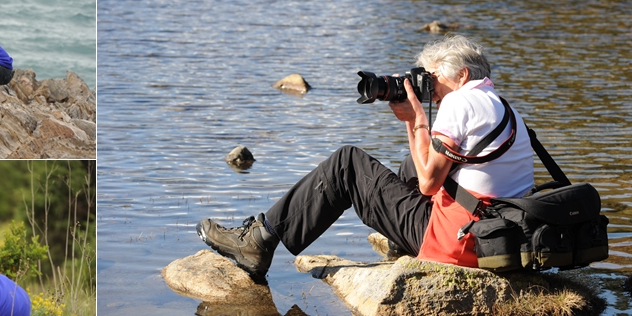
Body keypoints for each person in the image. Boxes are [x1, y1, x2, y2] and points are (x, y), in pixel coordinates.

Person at [197, 36, 534, 280]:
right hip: (495, 236)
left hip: (458, 244)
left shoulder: (460, 101)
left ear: (461, 76)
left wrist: (415, 120)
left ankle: (259, 240)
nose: (428, 90)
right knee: (408, 164)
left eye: (431, 80)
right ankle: (400, 241)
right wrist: (415, 125)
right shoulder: (503, 106)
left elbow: (430, 184)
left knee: (347, 164)